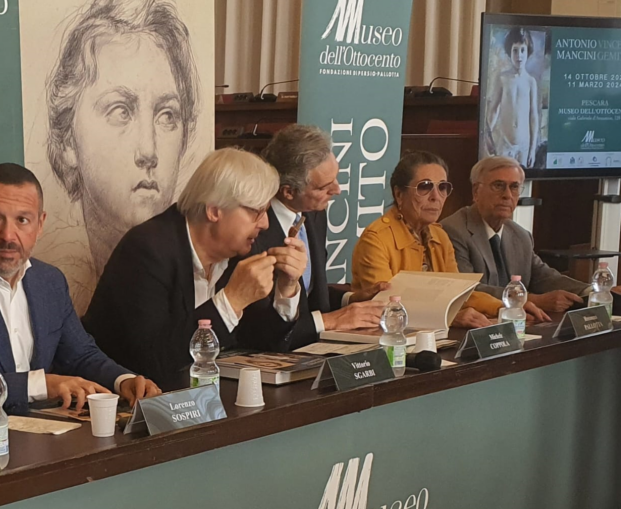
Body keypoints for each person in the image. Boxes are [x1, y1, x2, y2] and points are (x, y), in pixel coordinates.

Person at [0, 164, 160, 424]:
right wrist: (42, 384)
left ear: (40, 224)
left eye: (22, 220)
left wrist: (123, 380)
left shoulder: (49, 281)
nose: (8, 236)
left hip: (35, 434)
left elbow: (80, 355)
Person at [83, 148, 308, 388]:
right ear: (214, 210)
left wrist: (286, 288)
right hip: (124, 399)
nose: (265, 223)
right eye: (257, 212)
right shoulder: (147, 250)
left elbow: (265, 348)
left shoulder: (242, 251)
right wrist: (231, 301)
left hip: (202, 395)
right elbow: (153, 361)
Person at [46, 0, 200, 287]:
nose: (148, 152)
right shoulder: (50, 285)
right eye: (121, 111)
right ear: (68, 139)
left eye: (167, 115)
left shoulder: (197, 271)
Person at [351, 151, 549, 328]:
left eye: (443, 187)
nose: (436, 196)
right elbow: (386, 307)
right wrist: (448, 318)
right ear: (399, 194)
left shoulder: (439, 236)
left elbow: (460, 295)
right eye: (425, 187)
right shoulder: (376, 240)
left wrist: (506, 307)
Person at [442, 156, 621, 312]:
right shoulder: (453, 230)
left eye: (514, 187)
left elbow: (544, 277)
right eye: (498, 186)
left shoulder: (520, 235)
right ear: (476, 192)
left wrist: (597, 291)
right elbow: (468, 289)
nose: (507, 195)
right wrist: (531, 300)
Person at [258, 124, 388, 348]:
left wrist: (350, 299)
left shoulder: (314, 212)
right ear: (288, 191)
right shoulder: (255, 229)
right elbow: (258, 326)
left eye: (335, 179)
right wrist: (330, 321)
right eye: (324, 187)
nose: (337, 190)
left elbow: (306, 295)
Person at [486, 27, 539, 168]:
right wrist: (487, 135)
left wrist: (532, 149)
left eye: (522, 50)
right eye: (515, 50)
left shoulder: (530, 82)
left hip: (523, 145)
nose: (519, 56)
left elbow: (533, 115)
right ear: (509, 52)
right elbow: (494, 108)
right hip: (505, 143)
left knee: (522, 178)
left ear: (528, 52)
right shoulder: (502, 78)